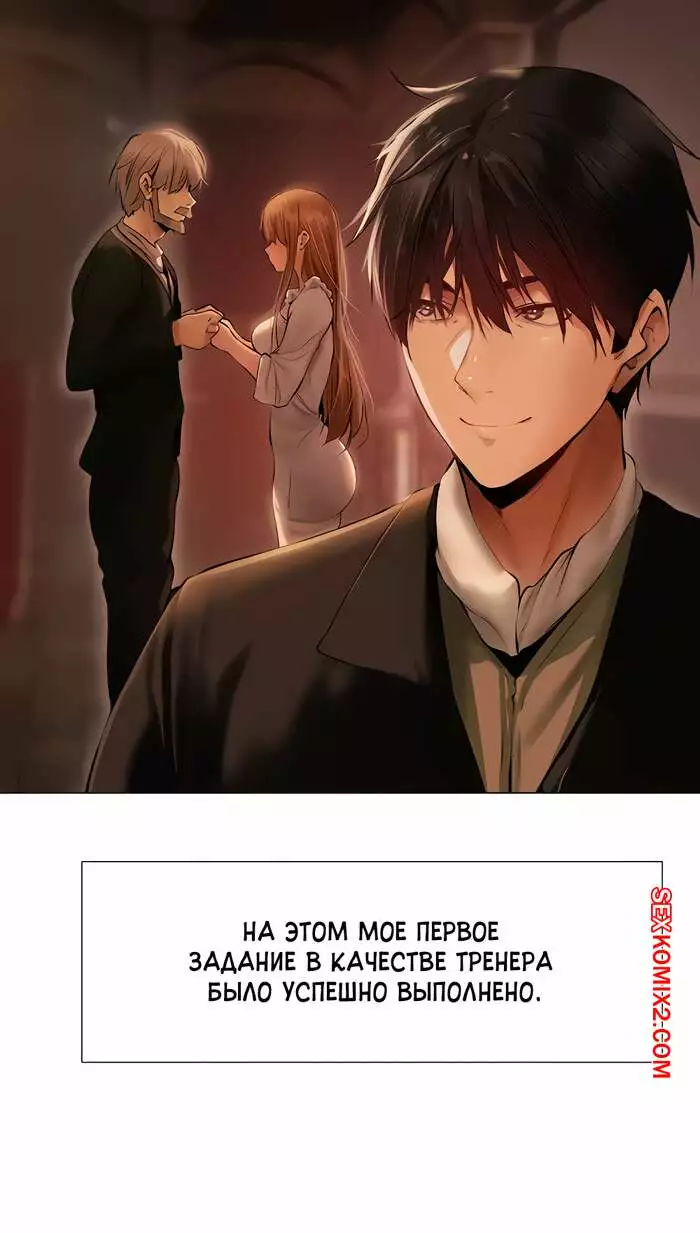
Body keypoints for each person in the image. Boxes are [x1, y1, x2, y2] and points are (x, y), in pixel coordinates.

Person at [89, 69, 699, 796]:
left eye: (529, 307)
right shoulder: (217, 646)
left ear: (640, 336)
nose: (467, 364)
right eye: (436, 306)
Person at [66, 124, 223, 708]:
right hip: (125, 466)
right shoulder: (113, 259)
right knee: (134, 604)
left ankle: (148, 722)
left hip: (154, 459)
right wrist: (172, 336)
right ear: (150, 185)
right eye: (182, 190)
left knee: (151, 594)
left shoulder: (160, 260)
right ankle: (130, 729)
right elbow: (81, 366)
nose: (191, 204)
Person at [214, 185, 371, 548]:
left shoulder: (314, 304)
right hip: (302, 472)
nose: (267, 249)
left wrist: (229, 344)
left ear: (301, 240)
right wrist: (236, 338)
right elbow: (269, 347)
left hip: (308, 477)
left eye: (275, 240)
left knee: (307, 575)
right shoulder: (304, 300)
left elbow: (278, 384)